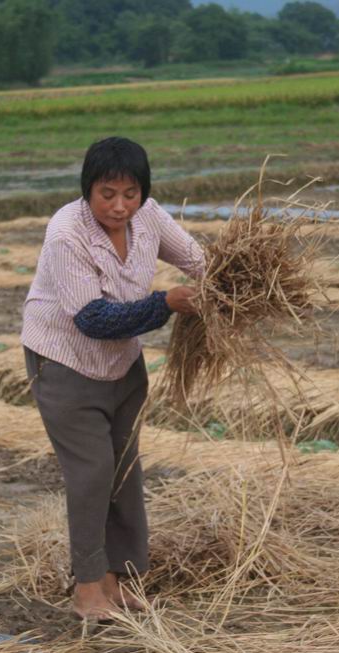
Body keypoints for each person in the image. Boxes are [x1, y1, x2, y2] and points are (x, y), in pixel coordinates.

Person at [21, 137, 205, 621]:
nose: (120, 206)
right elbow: (94, 319)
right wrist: (165, 303)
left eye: (131, 193)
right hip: (66, 362)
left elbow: (196, 258)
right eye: (108, 194)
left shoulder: (148, 216)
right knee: (93, 473)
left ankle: (115, 580)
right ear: (88, 190)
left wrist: (234, 282)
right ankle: (86, 590)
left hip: (123, 364)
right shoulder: (67, 234)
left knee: (124, 470)